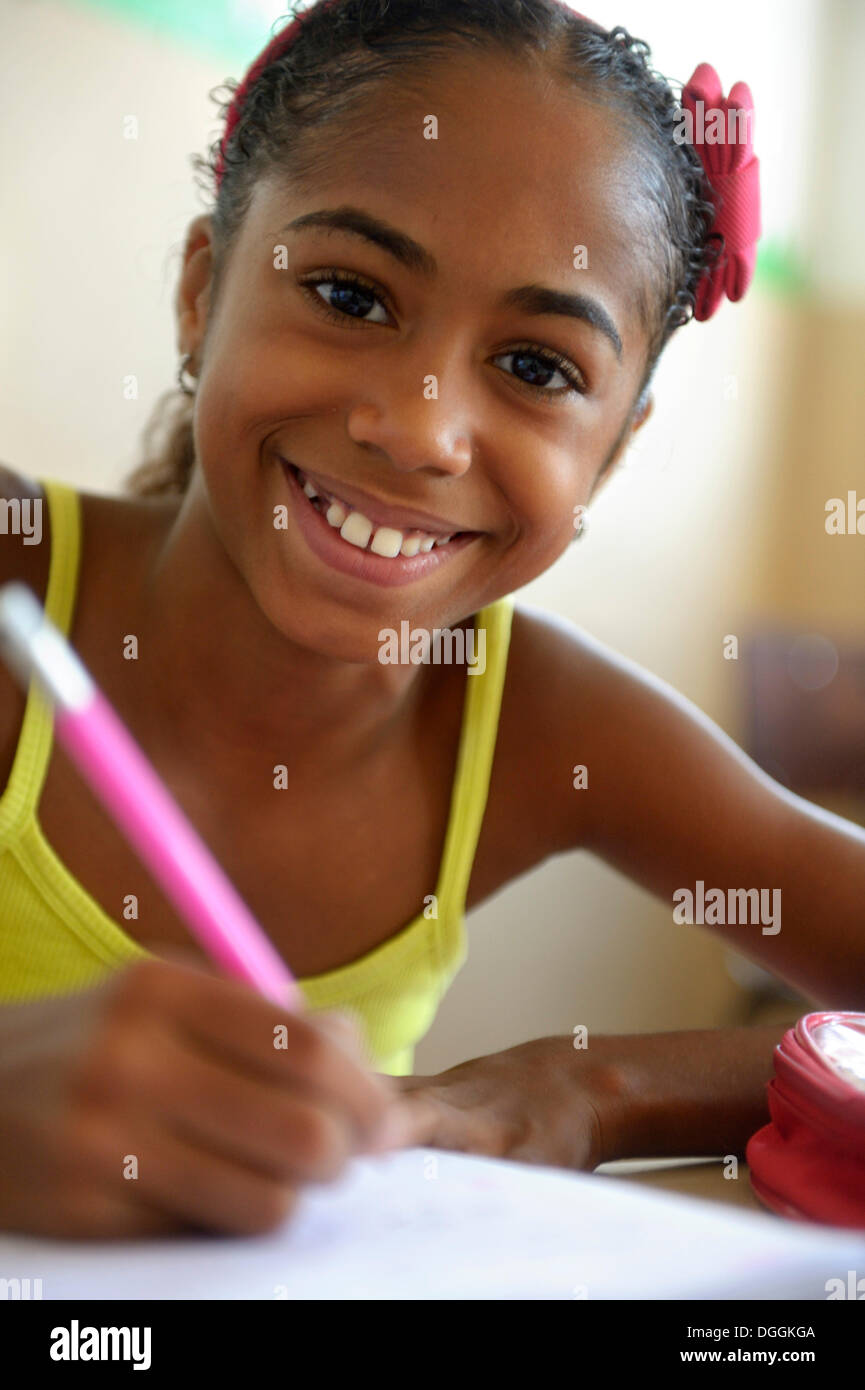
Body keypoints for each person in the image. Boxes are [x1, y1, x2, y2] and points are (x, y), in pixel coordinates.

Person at [1, 0, 862, 1239]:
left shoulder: (541, 727)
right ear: (200, 294)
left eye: (535, 368)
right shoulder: (14, 582)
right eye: (351, 294)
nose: (419, 428)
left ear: (611, 456)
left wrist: (594, 1089)